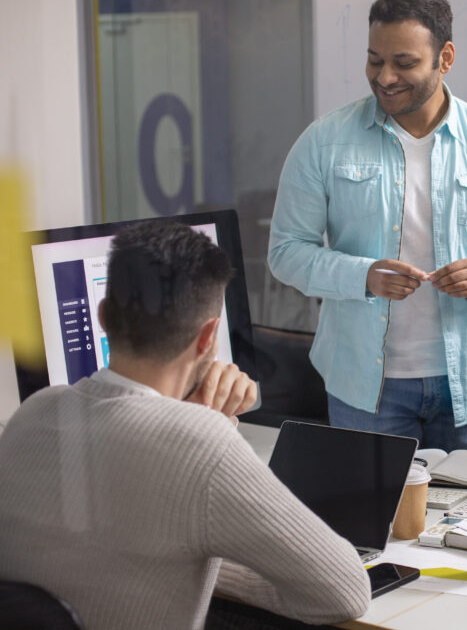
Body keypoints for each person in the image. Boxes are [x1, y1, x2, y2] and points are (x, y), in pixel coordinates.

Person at [0, 220, 371, 629]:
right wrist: (203, 557)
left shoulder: (33, 412)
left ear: (103, 317)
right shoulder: (202, 446)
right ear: (207, 337)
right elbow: (347, 592)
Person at [268, 0, 467, 456]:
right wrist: (363, 276)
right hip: (364, 387)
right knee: (367, 526)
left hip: (466, 388)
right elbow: (285, 252)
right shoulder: (324, 143)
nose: (385, 77)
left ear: (445, 58)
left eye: (404, 62)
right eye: (375, 60)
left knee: (465, 525)